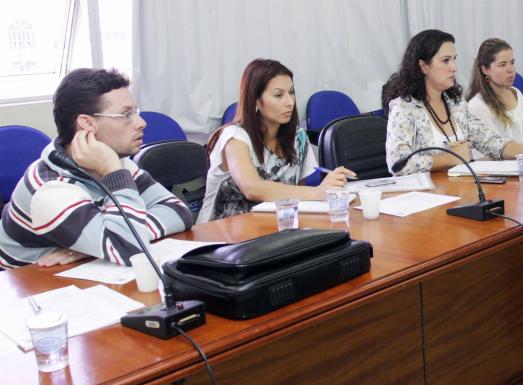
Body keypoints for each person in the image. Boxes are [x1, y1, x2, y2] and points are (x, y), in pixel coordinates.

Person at [0, 69, 192, 269]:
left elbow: (179, 212)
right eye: (126, 114)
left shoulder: (117, 160)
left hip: (83, 272)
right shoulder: (49, 189)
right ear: (87, 123)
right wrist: (113, 175)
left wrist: (104, 241)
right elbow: (130, 249)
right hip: (30, 286)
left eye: (136, 112)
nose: (141, 123)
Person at [198, 59, 352, 223]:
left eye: (291, 92)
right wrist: (317, 192)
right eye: (279, 95)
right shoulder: (234, 137)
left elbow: (296, 194)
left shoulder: (298, 137)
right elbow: (251, 187)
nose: (289, 102)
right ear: (256, 100)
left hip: (274, 230)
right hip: (221, 235)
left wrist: (327, 189)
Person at [385, 29, 523, 175]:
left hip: (462, 189)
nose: (454, 67)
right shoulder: (404, 107)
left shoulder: (456, 102)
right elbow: (397, 163)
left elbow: (489, 140)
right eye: (446, 60)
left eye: (454, 59)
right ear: (423, 66)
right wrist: (450, 157)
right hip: (427, 194)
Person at [466, 38, 523, 147]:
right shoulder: (477, 105)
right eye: (503, 64)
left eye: (512, 62)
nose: (511, 69)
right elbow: (494, 150)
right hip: (509, 162)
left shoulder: (516, 93)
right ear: (485, 70)